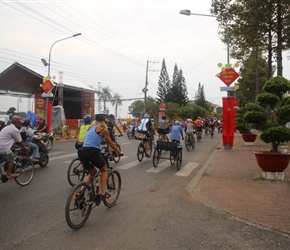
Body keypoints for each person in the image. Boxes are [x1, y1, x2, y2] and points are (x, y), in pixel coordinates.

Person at [77, 111, 122, 200]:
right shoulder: (103, 130)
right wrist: (119, 152)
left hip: (82, 151)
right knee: (104, 169)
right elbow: (112, 144)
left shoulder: (90, 128)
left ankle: (80, 191)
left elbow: (87, 140)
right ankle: (102, 193)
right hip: (92, 152)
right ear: (105, 121)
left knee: (92, 172)